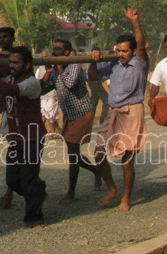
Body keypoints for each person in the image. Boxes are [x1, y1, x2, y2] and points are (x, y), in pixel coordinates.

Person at [0, 46, 47, 228]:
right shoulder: (9, 78)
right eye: (9, 62)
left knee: (28, 179)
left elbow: (8, 90)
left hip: (32, 138)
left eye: (15, 62)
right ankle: (38, 191)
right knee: (12, 180)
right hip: (16, 138)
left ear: (27, 65)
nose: (11, 66)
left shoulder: (32, 83)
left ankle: (35, 217)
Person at [89, 6, 149, 212]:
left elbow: (141, 44)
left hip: (132, 112)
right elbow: (95, 77)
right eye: (118, 50)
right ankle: (112, 189)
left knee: (127, 159)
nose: (120, 54)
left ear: (132, 51)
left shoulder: (140, 64)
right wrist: (92, 60)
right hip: (113, 112)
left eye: (124, 50)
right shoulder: (113, 65)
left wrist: (134, 22)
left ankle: (126, 197)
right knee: (98, 154)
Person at [41, 39, 111, 203]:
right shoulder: (56, 70)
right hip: (69, 115)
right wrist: (48, 73)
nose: (54, 51)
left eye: (57, 49)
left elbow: (69, 83)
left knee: (73, 153)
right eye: (53, 48)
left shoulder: (74, 65)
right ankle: (96, 171)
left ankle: (71, 192)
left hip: (82, 112)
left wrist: (59, 67)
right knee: (74, 153)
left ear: (66, 52)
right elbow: (45, 88)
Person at [0, 26, 17, 209]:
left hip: (17, 107)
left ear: (12, 38)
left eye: (5, 37)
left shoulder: (17, 57)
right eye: (0, 37)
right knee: (16, 150)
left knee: (15, 151)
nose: (2, 39)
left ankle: (10, 193)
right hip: (5, 107)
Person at [35, 51, 61, 136]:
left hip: (52, 94)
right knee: (46, 113)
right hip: (43, 95)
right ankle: (55, 130)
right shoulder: (39, 69)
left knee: (50, 113)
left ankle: (53, 131)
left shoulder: (55, 68)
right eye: (43, 56)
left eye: (46, 56)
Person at [87, 48, 110, 126]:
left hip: (95, 81)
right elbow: (91, 74)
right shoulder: (92, 61)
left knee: (94, 101)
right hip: (94, 82)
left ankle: (89, 121)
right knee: (107, 100)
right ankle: (103, 120)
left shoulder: (96, 62)